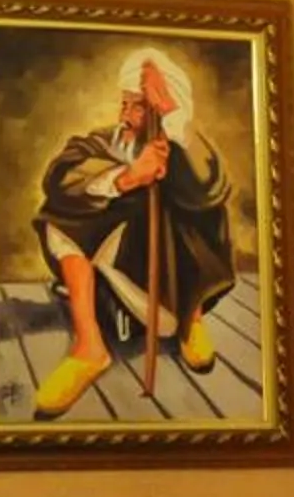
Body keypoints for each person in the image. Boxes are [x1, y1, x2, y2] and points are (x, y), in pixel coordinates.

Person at [27, 48, 238, 418]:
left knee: (195, 203)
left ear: (163, 111)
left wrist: (172, 117)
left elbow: (208, 186)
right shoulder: (103, 142)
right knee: (59, 213)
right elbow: (60, 177)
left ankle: (192, 319)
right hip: (122, 277)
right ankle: (89, 346)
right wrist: (126, 178)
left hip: (170, 287)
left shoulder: (187, 150)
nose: (125, 115)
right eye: (124, 104)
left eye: (138, 107)